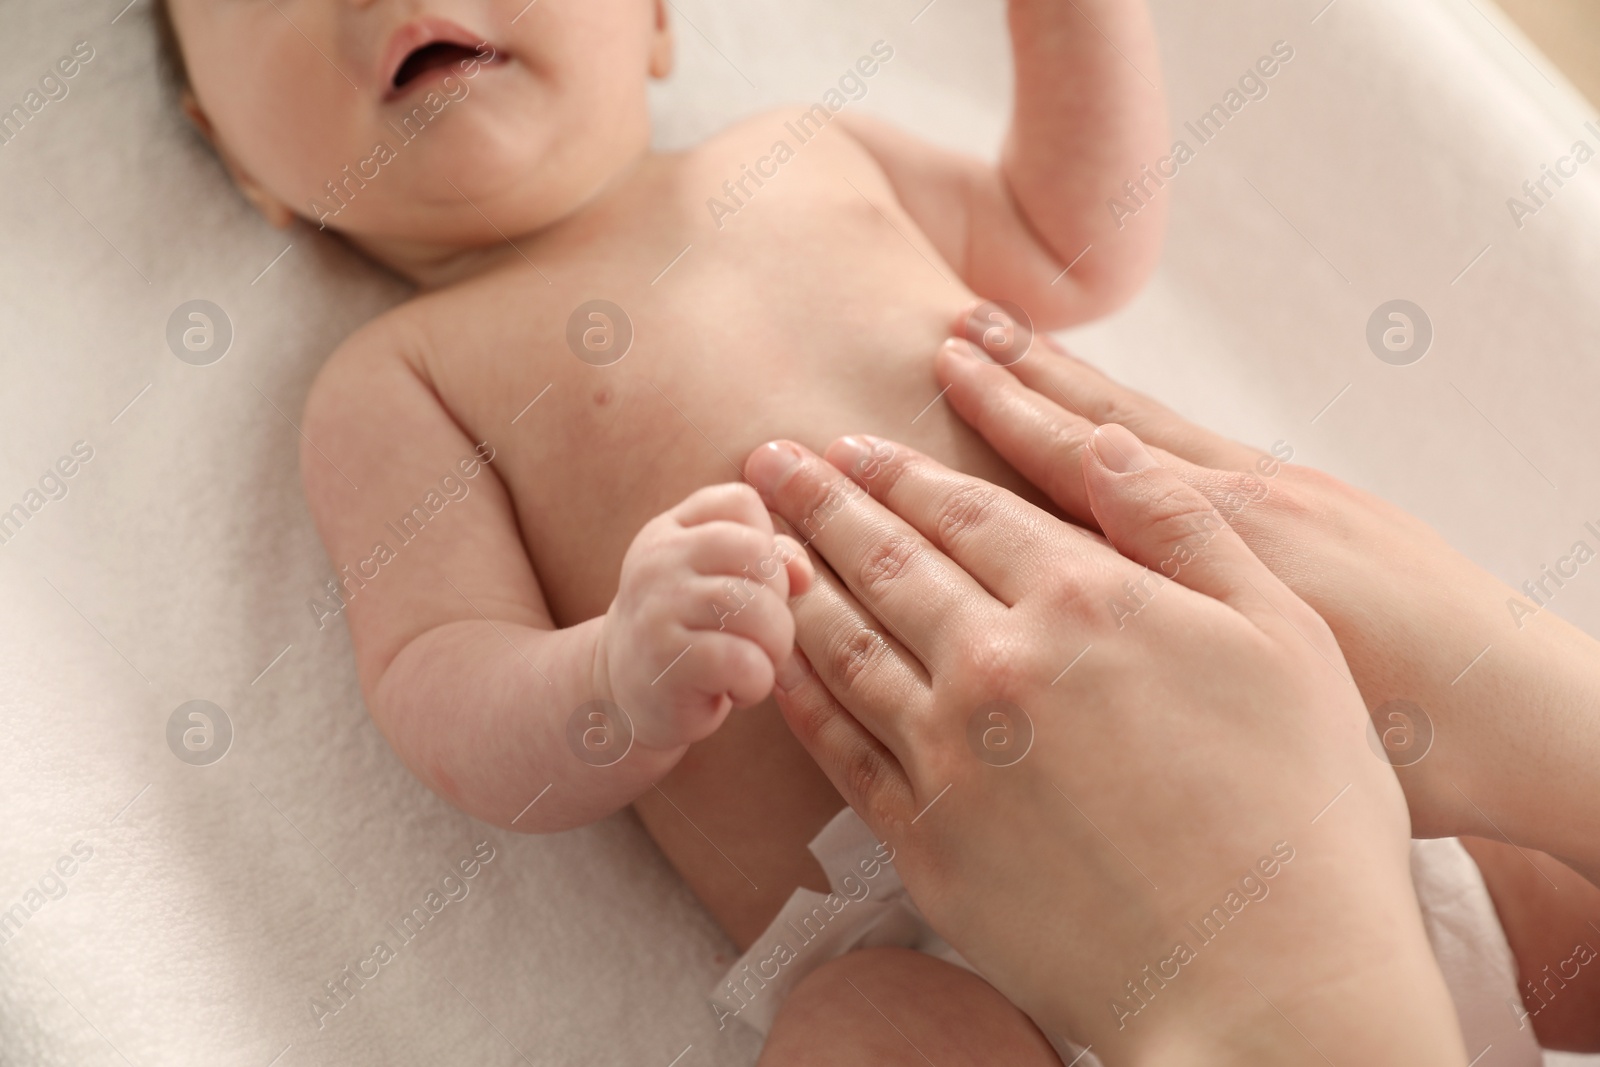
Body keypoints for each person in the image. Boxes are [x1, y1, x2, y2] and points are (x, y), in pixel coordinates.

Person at [155, 0, 1171, 1059]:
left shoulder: (810, 150)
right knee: (860, 1027)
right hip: (921, 925)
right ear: (238, 159)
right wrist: (610, 678)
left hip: (1175, 686)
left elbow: (1070, 241)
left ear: (652, 18)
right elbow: (439, 674)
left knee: (1338, 649)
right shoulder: (397, 379)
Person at [746, 326, 1600, 1061]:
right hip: (1366, 853)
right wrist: (1556, 711)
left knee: (862, 1018)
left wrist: (1265, 972)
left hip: (1041, 969)